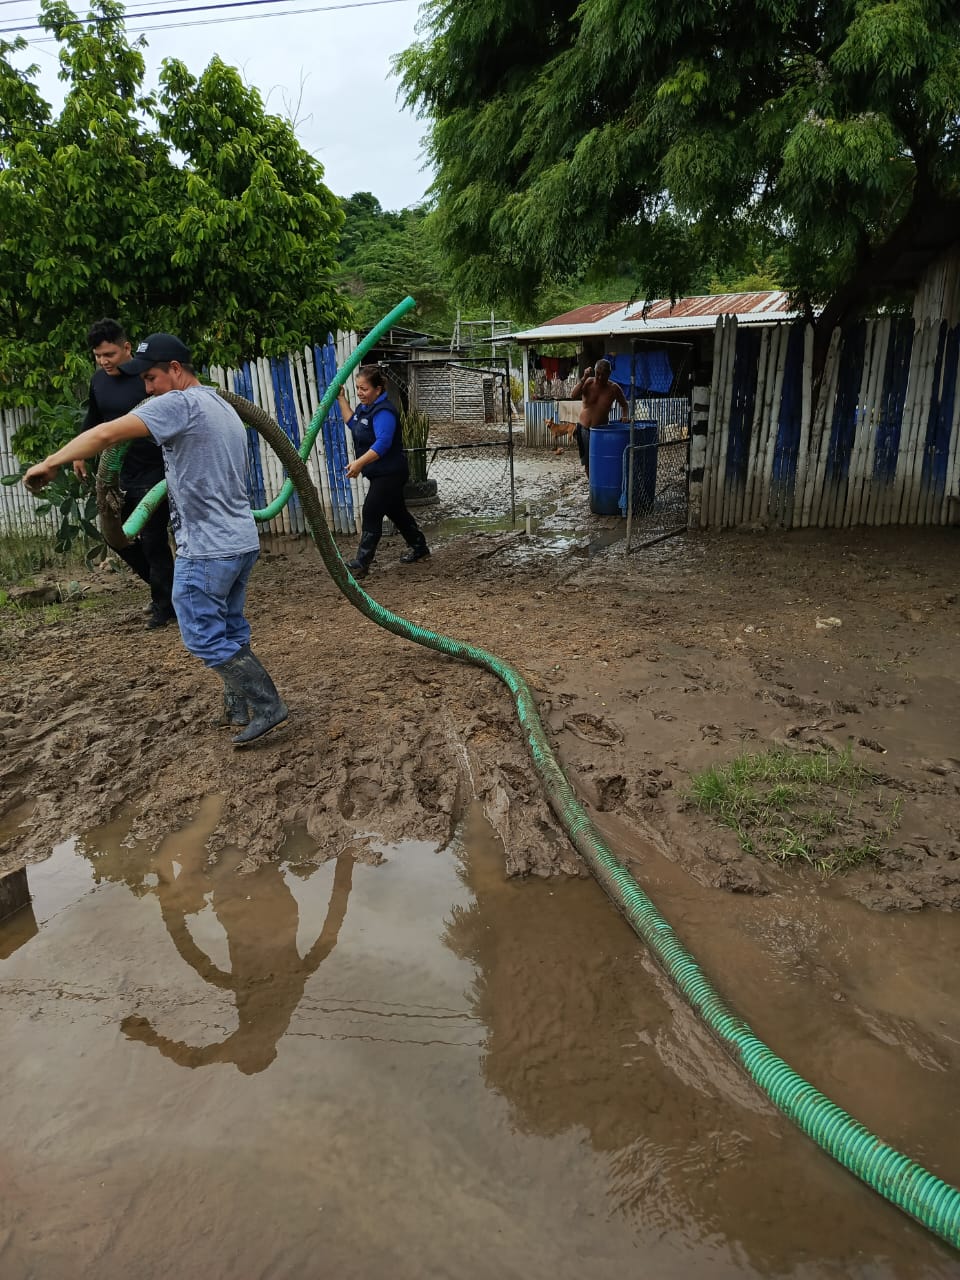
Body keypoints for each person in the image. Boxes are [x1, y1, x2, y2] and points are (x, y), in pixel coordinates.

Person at [23, 333, 287, 747]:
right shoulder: (219, 403)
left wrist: (51, 461)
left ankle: (268, 705)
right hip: (239, 540)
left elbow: (107, 434)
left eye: (151, 378)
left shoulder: (179, 403)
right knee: (229, 626)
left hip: (207, 547)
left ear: (175, 370)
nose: (146, 390)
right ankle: (237, 706)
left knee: (201, 634)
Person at [80, 318, 176, 630]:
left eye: (109, 354)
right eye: (98, 356)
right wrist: (80, 453)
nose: (104, 361)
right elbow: (94, 419)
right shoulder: (99, 381)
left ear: (127, 348)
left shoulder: (146, 379)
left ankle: (165, 607)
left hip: (155, 469)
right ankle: (168, 592)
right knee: (117, 537)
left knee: (152, 538)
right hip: (119, 474)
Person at [337, 364, 430, 579]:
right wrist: (341, 399)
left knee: (371, 511)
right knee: (397, 512)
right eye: (358, 388)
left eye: (364, 389)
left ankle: (361, 563)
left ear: (378, 389)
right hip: (380, 473)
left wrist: (359, 463)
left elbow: (383, 443)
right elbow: (353, 423)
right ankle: (420, 547)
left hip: (391, 473)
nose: (360, 393)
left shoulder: (384, 412)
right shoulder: (365, 409)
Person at [569, 358, 629, 477]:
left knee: (602, 460)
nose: (600, 377)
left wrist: (625, 416)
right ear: (595, 371)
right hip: (584, 429)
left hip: (602, 432)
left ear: (609, 374)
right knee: (588, 463)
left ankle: (601, 482)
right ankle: (592, 485)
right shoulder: (588, 382)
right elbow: (573, 395)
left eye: (603, 375)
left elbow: (625, 405)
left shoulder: (614, 388)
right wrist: (584, 378)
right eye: (598, 374)